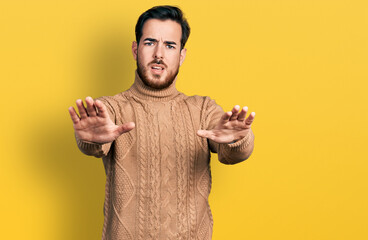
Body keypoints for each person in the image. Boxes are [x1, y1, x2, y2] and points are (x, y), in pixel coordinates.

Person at [68, 5, 255, 240]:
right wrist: (89, 139)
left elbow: (234, 153)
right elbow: (94, 144)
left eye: (169, 45)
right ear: (135, 49)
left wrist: (238, 139)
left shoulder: (203, 109)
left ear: (182, 55)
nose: (159, 54)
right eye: (149, 43)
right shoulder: (111, 108)